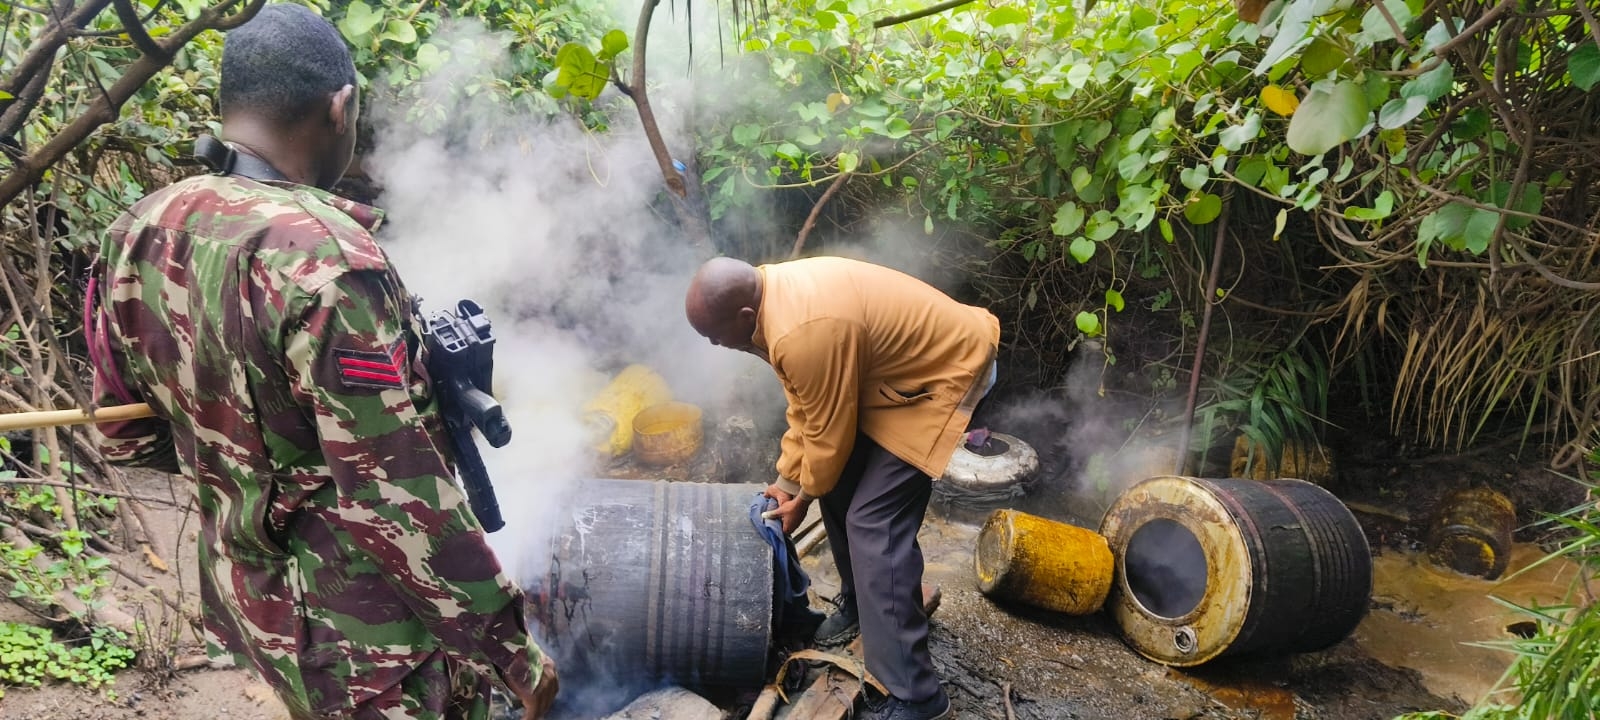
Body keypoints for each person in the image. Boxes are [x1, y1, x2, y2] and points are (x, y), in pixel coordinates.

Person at [86, 6, 556, 719]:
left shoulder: (138, 228)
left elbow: (123, 433)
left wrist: (248, 465)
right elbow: (394, 492)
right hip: (372, 647)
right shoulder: (329, 262)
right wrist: (513, 651)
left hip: (259, 610)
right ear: (340, 107)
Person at [684, 256, 1000, 720]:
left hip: (946, 372)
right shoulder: (772, 302)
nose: (715, 344)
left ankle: (918, 697)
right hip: (897, 377)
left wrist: (802, 499)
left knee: (874, 523)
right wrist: (786, 482)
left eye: (715, 334)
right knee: (838, 483)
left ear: (744, 316)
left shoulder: (802, 331)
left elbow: (828, 439)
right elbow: (808, 407)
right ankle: (862, 602)